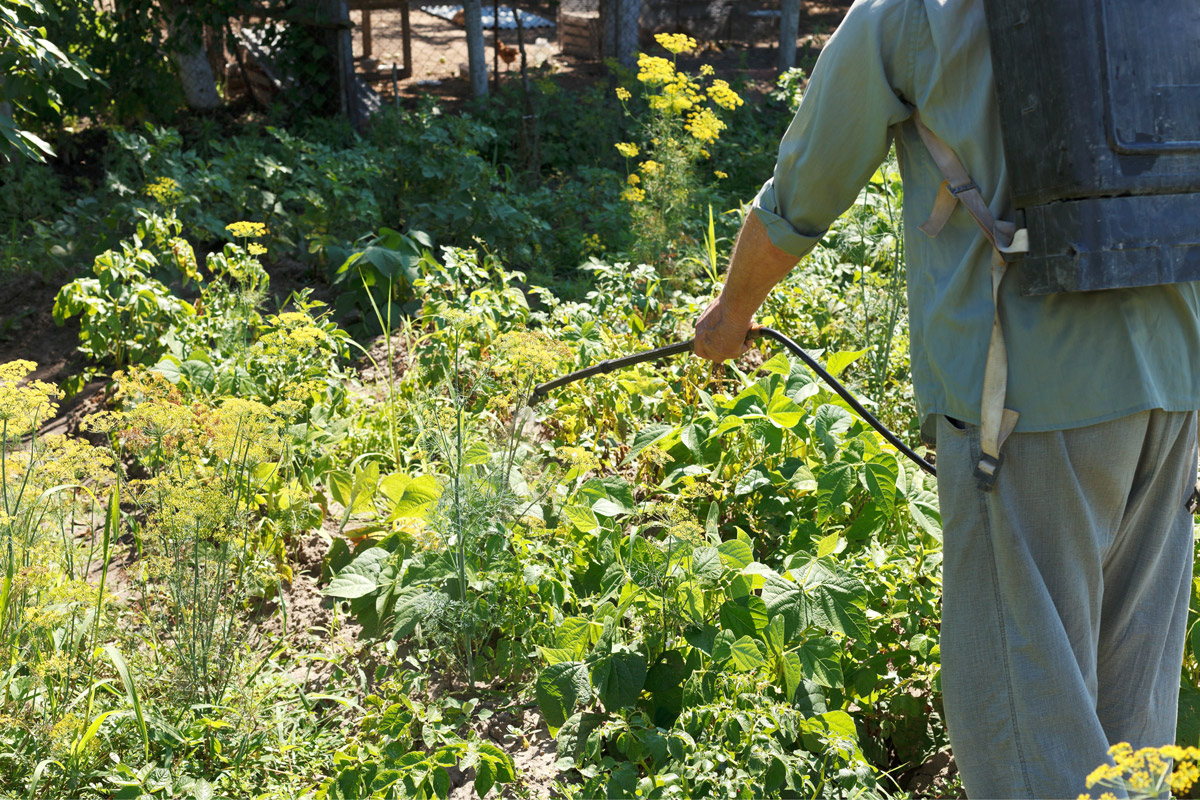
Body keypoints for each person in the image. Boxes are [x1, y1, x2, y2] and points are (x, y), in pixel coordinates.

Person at [692, 0, 1200, 797]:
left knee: (1028, 736)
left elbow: (803, 190)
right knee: (1129, 732)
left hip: (1027, 401)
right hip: (1174, 386)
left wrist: (732, 312)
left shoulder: (910, 13)